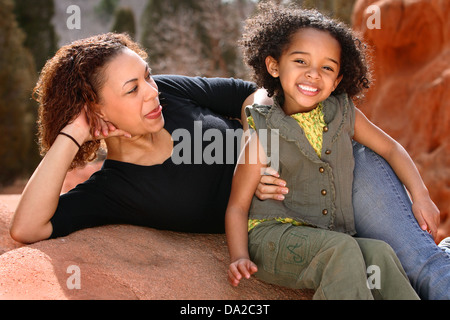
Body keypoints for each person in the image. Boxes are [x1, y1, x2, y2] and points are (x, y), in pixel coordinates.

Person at [9, 31, 448, 299]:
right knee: (388, 265)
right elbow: (28, 228)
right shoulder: (114, 191)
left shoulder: (169, 93)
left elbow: (254, 93)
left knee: (421, 269)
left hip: (343, 173)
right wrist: (72, 134)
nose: (151, 91)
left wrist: (262, 145)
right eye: (132, 88)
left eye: (146, 75)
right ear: (95, 111)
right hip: (297, 227)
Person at [225, 4, 438, 299]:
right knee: (342, 250)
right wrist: (238, 256)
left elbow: (391, 148)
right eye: (301, 61)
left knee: (380, 253)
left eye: (327, 67)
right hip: (273, 239)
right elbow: (237, 205)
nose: (313, 74)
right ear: (274, 66)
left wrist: (421, 196)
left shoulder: (342, 113)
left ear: (337, 80)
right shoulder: (262, 133)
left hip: (326, 235)